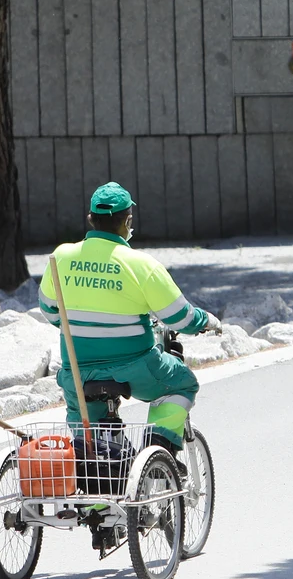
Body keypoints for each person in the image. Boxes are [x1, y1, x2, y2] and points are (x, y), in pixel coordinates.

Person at [38, 182, 220, 454]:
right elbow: (180, 318)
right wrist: (206, 321)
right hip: (135, 368)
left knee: (92, 451)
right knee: (183, 384)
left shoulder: (61, 257)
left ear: (91, 219)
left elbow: (51, 312)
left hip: (78, 373)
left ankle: (98, 491)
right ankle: (159, 450)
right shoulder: (141, 265)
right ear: (128, 221)